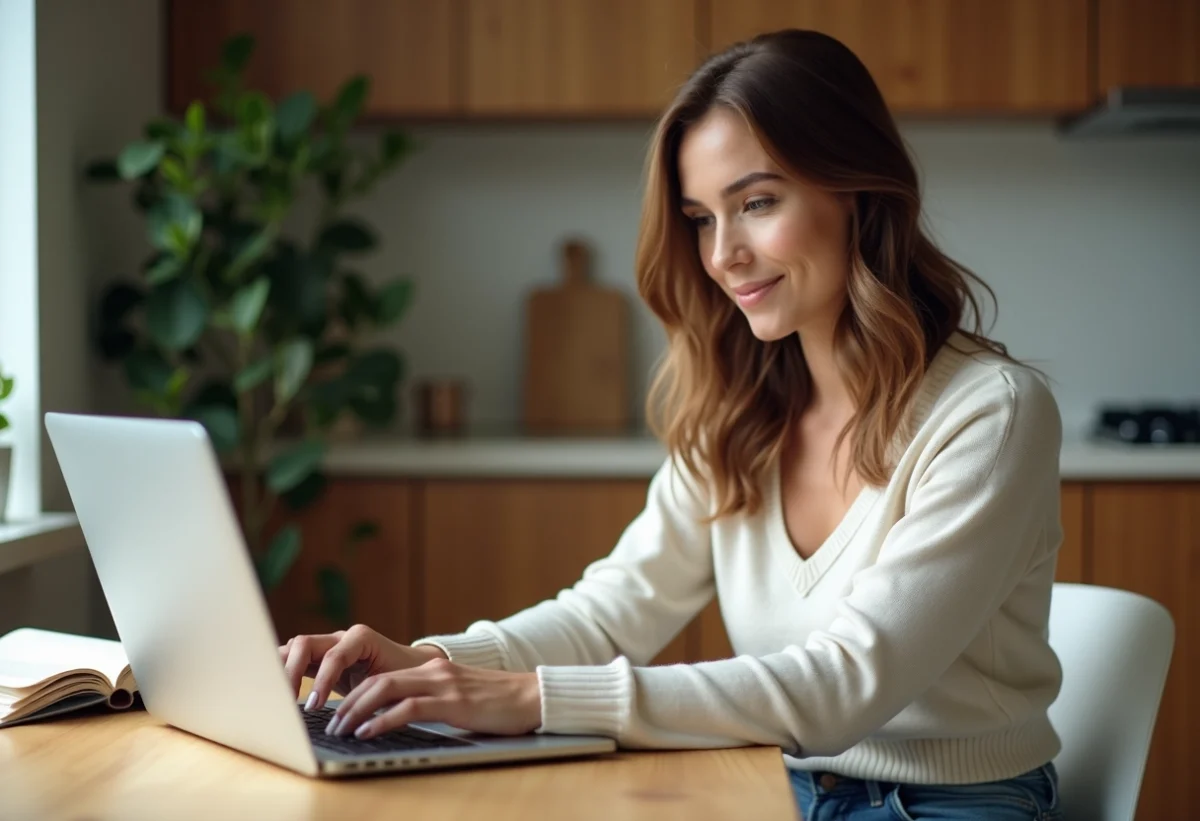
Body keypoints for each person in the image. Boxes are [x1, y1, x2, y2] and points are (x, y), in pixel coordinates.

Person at [279, 29, 1066, 820]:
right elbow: (610, 612)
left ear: (858, 190)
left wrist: (531, 697)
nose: (723, 255)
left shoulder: (990, 414)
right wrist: (428, 661)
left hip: (949, 800)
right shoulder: (741, 413)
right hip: (778, 783)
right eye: (700, 217)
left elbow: (843, 686)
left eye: (757, 203)